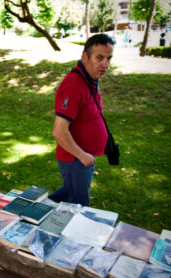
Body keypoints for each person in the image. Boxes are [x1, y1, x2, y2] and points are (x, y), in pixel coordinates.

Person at [48, 34, 114, 206]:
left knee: (68, 197)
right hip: (75, 160)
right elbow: (59, 131)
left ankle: (37, 210)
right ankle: (32, 214)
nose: (105, 64)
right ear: (85, 57)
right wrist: (82, 156)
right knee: (78, 205)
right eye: (99, 58)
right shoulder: (74, 84)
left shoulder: (90, 79)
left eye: (109, 59)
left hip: (82, 158)